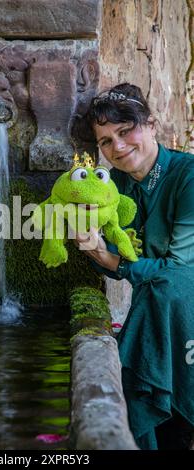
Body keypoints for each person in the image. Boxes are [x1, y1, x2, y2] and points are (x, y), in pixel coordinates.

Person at [75, 83, 194, 450]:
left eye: (126, 132)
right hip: (161, 305)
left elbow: (179, 266)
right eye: (106, 141)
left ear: (152, 125)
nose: (119, 147)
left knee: (166, 290)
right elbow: (122, 262)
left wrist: (110, 260)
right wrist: (93, 248)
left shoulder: (187, 176)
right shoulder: (117, 187)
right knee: (159, 294)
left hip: (181, 299)